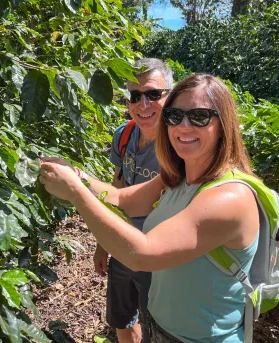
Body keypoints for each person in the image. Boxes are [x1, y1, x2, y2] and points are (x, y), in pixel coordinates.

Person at [40, 73, 259, 342]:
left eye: (199, 116)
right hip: (161, 327)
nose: (184, 126)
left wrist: (75, 193)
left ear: (224, 123)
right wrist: (79, 176)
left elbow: (141, 255)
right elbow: (124, 199)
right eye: (174, 116)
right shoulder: (179, 175)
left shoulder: (229, 197)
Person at [73, 58, 173, 343]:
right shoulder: (124, 134)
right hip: (124, 243)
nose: (143, 104)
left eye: (153, 94)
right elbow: (118, 187)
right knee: (121, 317)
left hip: (162, 255)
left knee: (159, 327)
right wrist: (103, 245)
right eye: (135, 96)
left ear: (170, 95)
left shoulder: (179, 143)